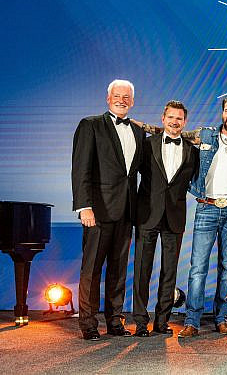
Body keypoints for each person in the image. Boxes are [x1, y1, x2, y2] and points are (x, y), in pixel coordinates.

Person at [71, 79, 145, 341]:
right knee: (91, 270)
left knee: (118, 270)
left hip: (126, 212)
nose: (121, 100)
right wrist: (84, 207)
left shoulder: (138, 132)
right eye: (117, 96)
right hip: (97, 212)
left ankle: (115, 321)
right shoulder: (90, 125)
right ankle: (88, 324)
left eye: (126, 97)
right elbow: (81, 169)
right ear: (108, 98)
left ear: (132, 101)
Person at [176, 95, 227, 338]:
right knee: (198, 268)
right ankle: (192, 321)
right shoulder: (206, 136)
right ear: (222, 112)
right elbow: (174, 135)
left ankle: (222, 318)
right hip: (207, 207)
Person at [132, 101, 199, 337]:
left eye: (179, 118)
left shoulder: (193, 151)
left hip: (175, 217)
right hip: (147, 214)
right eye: (171, 117)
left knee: (169, 272)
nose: (174, 122)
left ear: (185, 122)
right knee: (142, 270)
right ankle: (141, 322)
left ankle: (162, 321)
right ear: (163, 119)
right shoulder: (147, 145)